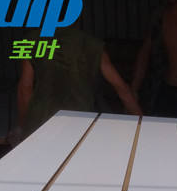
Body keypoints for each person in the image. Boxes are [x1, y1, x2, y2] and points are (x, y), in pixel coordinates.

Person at [13, 25, 141, 142]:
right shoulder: (91, 44)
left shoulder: (31, 41)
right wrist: (142, 121)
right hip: (79, 126)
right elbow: (121, 88)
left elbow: (25, 88)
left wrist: (22, 127)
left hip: (41, 125)